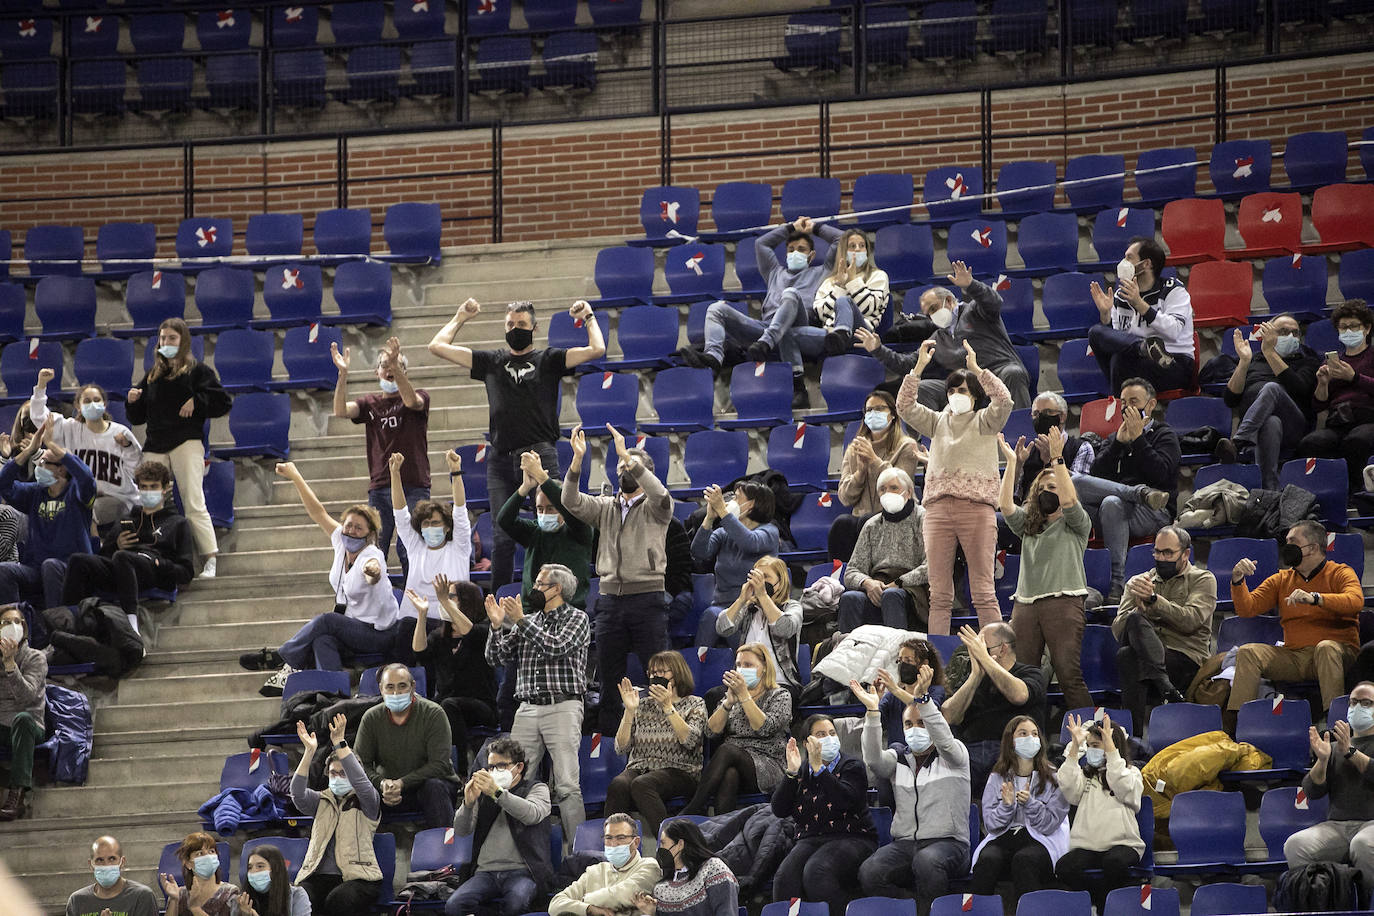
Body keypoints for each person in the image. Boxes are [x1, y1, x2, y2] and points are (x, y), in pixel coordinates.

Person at [428, 297, 605, 590]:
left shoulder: (548, 359)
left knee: (555, 525)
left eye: (521, 324)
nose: (515, 328)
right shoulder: (491, 361)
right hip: (500, 459)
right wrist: (460, 316)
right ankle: (497, 603)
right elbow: (436, 347)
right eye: (510, 324)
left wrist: (588, 316)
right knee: (502, 534)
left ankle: (559, 592)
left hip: (540, 454)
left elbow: (597, 349)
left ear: (534, 327)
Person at [241, 463, 397, 691]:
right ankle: (336, 694)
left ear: (370, 534)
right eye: (349, 525)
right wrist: (295, 476)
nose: (351, 531)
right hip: (353, 628)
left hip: (378, 633)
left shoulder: (372, 554)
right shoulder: (341, 543)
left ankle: (282, 657)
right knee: (322, 640)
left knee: (327, 621)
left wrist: (372, 573)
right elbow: (318, 512)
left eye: (358, 528)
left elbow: (374, 570)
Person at [561, 425, 673, 733]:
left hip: (647, 598)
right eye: (620, 465)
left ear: (644, 472)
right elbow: (570, 501)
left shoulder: (656, 506)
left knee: (658, 673)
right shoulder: (605, 506)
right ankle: (611, 741)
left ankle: (659, 735)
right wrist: (576, 461)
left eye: (629, 466)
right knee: (609, 677)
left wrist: (630, 456)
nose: (623, 469)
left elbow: (660, 493)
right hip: (609, 601)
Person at [897, 339, 1011, 634]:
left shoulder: (986, 420)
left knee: (984, 593)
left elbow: (1005, 400)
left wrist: (977, 369)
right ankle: (938, 661)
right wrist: (919, 367)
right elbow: (904, 406)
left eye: (963, 390)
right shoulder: (936, 422)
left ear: (974, 396)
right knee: (939, 596)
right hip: (936, 513)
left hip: (977, 511)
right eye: (952, 390)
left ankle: (997, 658)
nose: (956, 395)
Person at [675, 216, 845, 408]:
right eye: (791, 250)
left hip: (799, 327)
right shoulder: (774, 272)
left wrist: (814, 227)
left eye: (801, 250)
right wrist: (790, 228)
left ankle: (768, 343)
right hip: (766, 329)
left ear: (812, 255)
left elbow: (843, 239)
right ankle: (714, 357)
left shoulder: (822, 271)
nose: (795, 253)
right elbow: (761, 243)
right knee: (716, 308)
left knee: (790, 294)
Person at [485, 563, 591, 851]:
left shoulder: (577, 618)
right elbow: (497, 657)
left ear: (556, 589)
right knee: (516, 780)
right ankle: (521, 852)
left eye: (539, 585)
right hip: (527, 708)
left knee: (567, 785)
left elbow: (555, 647)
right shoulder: (529, 620)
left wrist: (520, 621)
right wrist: (496, 626)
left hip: (563, 706)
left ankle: (580, 854)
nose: (533, 589)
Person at [854, 667, 970, 914]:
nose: (915, 729)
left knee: (927, 862)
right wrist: (873, 713)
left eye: (921, 723)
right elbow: (873, 760)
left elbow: (945, 739)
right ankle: (915, 909)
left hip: (950, 844)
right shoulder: (899, 758)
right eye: (909, 724)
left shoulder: (954, 755)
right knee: (870, 871)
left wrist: (924, 701)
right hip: (906, 844)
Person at [126, 317, 231, 578]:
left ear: (183, 341)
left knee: (193, 500)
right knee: (148, 501)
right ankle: (151, 553)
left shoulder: (198, 371)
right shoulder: (152, 375)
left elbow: (223, 402)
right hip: (156, 443)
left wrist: (198, 400)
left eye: (171, 338)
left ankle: (210, 558)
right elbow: (137, 417)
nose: (166, 343)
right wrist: (132, 401)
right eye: (162, 338)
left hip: (186, 441)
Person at [1228, 520, 1363, 721]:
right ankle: (1238, 723)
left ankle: (1335, 723)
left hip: (1337, 653)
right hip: (1294, 655)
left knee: (1325, 648)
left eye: (1293, 541)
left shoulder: (1340, 572)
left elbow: (1356, 601)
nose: (1287, 546)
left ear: (1313, 548)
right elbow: (1247, 608)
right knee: (1248, 652)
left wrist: (1316, 598)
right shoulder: (1281, 579)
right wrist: (1238, 580)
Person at [997, 426, 1092, 711]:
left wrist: (1057, 461)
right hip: (1025, 606)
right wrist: (1013, 464)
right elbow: (1005, 506)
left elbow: (1069, 501)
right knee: (1023, 677)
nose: (1048, 492)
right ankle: (1028, 732)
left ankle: (1092, 733)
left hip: (1064, 602)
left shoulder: (1076, 523)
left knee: (1067, 674)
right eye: (1042, 488)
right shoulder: (1029, 524)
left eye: (1054, 487)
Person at [855, 260, 1032, 408]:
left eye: (933, 308)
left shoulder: (975, 311)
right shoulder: (937, 338)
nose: (932, 316)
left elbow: (994, 301)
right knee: (922, 388)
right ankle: (925, 446)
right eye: (928, 314)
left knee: (1013, 373)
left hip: (1000, 372)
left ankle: (1020, 435)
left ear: (948, 300)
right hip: (968, 386)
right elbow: (906, 364)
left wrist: (971, 285)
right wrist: (877, 349)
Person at [1072, 378, 1179, 602]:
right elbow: (1096, 479)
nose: (1127, 408)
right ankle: (1070, 582)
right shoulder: (1115, 438)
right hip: (1117, 509)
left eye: (1134, 401)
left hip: (1153, 512)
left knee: (1111, 502)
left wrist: (1139, 440)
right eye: (1123, 403)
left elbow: (1161, 475)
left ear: (1150, 405)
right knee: (1075, 483)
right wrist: (1118, 445)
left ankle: (1117, 583)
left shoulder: (1164, 434)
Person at [332, 337, 431, 578]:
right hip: (380, 486)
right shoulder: (370, 403)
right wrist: (343, 375)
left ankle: (413, 603)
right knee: (375, 549)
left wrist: (396, 368)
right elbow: (341, 410)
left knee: (410, 549)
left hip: (413, 484)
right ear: (376, 371)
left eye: (396, 365)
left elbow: (410, 401)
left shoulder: (420, 396)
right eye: (385, 366)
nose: (389, 370)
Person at [60, 460, 194, 632]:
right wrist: (117, 545)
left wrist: (160, 564)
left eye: (153, 487)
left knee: (122, 557)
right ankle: (70, 622)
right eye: (144, 487)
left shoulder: (178, 523)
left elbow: (186, 573)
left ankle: (131, 624)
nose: (148, 491)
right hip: (121, 570)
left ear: (165, 488)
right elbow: (104, 557)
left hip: (153, 572)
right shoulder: (127, 520)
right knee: (79, 560)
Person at [1111, 526, 1216, 734]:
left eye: (1168, 553)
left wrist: (1154, 602)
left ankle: (1133, 739)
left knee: (1128, 656)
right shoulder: (1140, 582)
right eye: (1157, 552)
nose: (1161, 558)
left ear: (1185, 554)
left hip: (1185, 660)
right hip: (1152, 668)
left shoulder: (1203, 579)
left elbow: (1191, 621)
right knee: (1131, 630)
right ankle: (1165, 687)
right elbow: (1118, 630)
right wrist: (1138, 607)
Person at [772, 714, 878, 916]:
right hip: (810, 839)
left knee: (816, 871)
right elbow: (779, 810)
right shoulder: (802, 770)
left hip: (853, 837)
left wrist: (820, 768)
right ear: (807, 743)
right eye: (821, 734)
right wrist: (791, 773)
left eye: (831, 733)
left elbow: (844, 801)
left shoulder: (852, 766)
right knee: (784, 878)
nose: (828, 738)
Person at [445, 736, 553, 916]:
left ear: (519, 767)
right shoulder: (483, 794)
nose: (494, 771)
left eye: (501, 766)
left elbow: (532, 814)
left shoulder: (537, 788)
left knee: (516, 904)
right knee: (454, 905)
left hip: (524, 871)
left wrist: (497, 792)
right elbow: (462, 830)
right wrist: (468, 803)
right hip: (485, 873)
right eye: (491, 767)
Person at [681, 643, 792, 815]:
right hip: (732, 764)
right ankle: (723, 831)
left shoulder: (780, 695)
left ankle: (693, 808)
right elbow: (710, 732)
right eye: (739, 665)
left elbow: (764, 728)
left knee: (727, 750)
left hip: (768, 764)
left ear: (764, 668)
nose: (741, 669)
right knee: (729, 775)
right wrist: (728, 703)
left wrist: (745, 696)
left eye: (748, 665)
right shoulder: (731, 695)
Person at [970, 716, 1069, 908]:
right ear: (1011, 740)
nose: (1029, 738)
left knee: (1025, 860)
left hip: (1041, 839)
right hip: (1005, 837)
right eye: (1023, 734)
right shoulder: (997, 776)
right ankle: (979, 911)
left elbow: (1050, 824)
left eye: (1034, 734)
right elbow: (991, 824)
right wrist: (1006, 807)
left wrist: (1031, 804)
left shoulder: (1053, 776)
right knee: (987, 860)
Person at [607, 651, 707, 838]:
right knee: (618, 784)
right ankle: (613, 846)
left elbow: (690, 741)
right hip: (641, 767)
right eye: (653, 673)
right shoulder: (642, 705)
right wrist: (629, 712)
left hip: (680, 770)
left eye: (662, 672)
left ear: (677, 674)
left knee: (642, 784)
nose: (656, 677)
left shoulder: (694, 703)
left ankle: (670, 843)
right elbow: (621, 747)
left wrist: (668, 708)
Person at [0, 417, 97, 610]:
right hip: (36, 569)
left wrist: (52, 444)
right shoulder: (35, 493)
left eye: (45, 463)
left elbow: (86, 476)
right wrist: (27, 452)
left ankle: (58, 627)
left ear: (61, 469)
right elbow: (4, 485)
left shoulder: (78, 494)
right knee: (3, 571)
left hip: (73, 569)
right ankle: (14, 626)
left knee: (51, 566)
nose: (39, 467)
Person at [290, 713, 382, 915]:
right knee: (301, 897)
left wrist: (340, 744)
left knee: (338, 900)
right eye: (333, 773)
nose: (338, 777)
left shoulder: (367, 801)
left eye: (344, 773)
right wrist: (309, 752)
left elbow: (362, 783)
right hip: (317, 875)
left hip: (359, 877)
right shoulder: (320, 800)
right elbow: (296, 794)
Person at [407, 578, 499, 777]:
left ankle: (461, 770)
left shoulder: (485, 631)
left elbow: (471, 633)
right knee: (422, 707)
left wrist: (444, 602)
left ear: (466, 600)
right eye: (444, 597)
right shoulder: (440, 637)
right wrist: (422, 615)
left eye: (450, 597)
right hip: (448, 703)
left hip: (481, 705)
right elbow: (419, 653)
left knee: (448, 705)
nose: (444, 601)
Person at [942, 622, 1046, 798]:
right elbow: (948, 716)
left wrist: (985, 660)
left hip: (1010, 751)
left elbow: (1019, 695)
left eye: (983, 648)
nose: (976, 654)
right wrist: (975, 677)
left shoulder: (1031, 673)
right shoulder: (974, 675)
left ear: (1003, 649)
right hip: (970, 751)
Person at [30, 368, 142, 527]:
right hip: (81, 497)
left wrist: (129, 447)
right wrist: (41, 386)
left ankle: (92, 549)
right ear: (78, 405)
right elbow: (39, 417)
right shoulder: (70, 429)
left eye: (97, 400)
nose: (93, 404)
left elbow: (137, 470)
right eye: (87, 401)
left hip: (118, 499)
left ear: (104, 404)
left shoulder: (121, 433)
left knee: (86, 510)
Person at [1284, 681, 1374, 878]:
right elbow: (1311, 791)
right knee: (1296, 845)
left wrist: (1351, 752)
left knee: (1363, 844)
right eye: (1353, 702)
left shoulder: (1345, 748)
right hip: (1337, 827)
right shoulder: (1333, 748)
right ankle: (1318, 899)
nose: (1358, 708)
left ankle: (1368, 903)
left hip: (1371, 825)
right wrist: (1323, 760)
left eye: (1366, 703)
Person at [1218, 317, 1320, 489]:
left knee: (1271, 388)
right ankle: (1269, 490)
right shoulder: (1255, 360)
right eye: (1283, 332)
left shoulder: (1307, 361)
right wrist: (1243, 363)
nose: (1290, 336)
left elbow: (1300, 389)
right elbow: (1230, 399)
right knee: (1271, 422)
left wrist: (1270, 353)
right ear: (1268, 333)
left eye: (1295, 333)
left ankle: (1238, 442)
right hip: (1262, 429)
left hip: (1293, 427)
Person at [354, 662, 459, 828]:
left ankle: (445, 849)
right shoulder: (371, 718)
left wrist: (402, 783)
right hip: (386, 790)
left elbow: (440, 764)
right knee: (356, 792)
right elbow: (359, 765)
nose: (396, 693)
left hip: (427, 788)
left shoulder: (434, 713)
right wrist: (382, 783)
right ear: (381, 689)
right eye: (390, 687)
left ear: (413, 686)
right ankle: (357, 852)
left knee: (434, 787)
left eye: (402, 686)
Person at [1056, 713, 1144, 912]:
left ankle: (1107, 907)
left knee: (1114, 863)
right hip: (1088, 846)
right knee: (1064, 867)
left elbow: (1123, 787)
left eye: (1097, 745)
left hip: (1123, 844)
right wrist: (1075, 748)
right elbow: (1068, 788)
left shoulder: (1131, 772)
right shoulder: (1085, 776)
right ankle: (1096, 902)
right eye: (1090, 746)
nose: (1092, 750)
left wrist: (1111, 751)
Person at [1088, 236, 1196, 394]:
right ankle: (1143, 347)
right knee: (1096, 334)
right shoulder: (1121, 295)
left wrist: (1139, 303)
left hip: (1174, 364)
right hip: (1138, 360)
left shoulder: (1173, 289)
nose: (1123, 263)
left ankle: (1121, 407)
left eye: (1129, 258)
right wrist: (1106, 316)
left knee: (1120, 361)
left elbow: (1173, 330)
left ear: (1146, 264)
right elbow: (1118, 339)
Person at [389, 449, 470, 656]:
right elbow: (400, 514)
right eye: (426, 523)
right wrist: (395, 474)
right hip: (413, 621)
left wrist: (456, 472)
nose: (430, 527)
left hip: (448, 622)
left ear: (447, 527)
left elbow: (460, 511)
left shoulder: (459, 548)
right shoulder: (416, 547)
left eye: (435, 523)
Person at [831, 389, 925, 561]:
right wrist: (859, 473)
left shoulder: (907, 446)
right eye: (869, 410)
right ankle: (840, 578)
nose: (873, 414)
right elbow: (845, 498)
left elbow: (901, 485)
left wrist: (873, 461)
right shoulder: (855, 448)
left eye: (880, 409)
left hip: (897, 517)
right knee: (842, 523)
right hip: (862, 518)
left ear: (893, 414)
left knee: (868, 520)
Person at [497, 449, 595, 614]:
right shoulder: (533, 531)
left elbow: (567, 506)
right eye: (540, 509)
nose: (544, 514)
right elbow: (503, 520)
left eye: (550, 509)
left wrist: (542, 477)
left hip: (568, 611)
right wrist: (525, 488)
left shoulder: (580, 530)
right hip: (532, 611)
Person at [838, 466, 929, 632]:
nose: (888, 493)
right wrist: (867, 583)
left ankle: (897, 653)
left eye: (894, 488)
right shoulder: (872, 525)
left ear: (908, 492)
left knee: (891, 596)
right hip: (878, 586)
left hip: (912, 590)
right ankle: (848, 651)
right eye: (882, 489)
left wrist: (900, 582)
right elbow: (851, 571)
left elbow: (931, 566)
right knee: (850, 598)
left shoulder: (923, 518)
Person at [1298, 299, 1374, 493]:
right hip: (1338, 421)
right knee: (1311, 442)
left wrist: (1354, 377)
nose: (1348, 331)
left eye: (1354, 326)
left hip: (1367, 418)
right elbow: (1318, 405)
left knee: (1357, 441)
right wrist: (1322, 384)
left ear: (1366, 328)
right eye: (1343, 327)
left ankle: (1356, 493)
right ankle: (1322, 493)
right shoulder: (1332, 361)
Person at [691, 481, 779, 644]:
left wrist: (724, 512)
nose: (731, 502)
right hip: (723, 606)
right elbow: (700, 553)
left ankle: (742, 665)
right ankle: (697, 665)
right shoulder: (724, 533)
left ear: (751, 504)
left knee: (728, 622)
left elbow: (750, 542)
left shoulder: (769, 532)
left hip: (755, 607)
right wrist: (709, 518)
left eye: (736, 498)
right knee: (712, 616)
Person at [712, 556, 804, 694]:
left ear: (780, 582)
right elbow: (722, 628)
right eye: (757, 576)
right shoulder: (749, 608)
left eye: (766, 577)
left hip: (780, 683)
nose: (760, 582)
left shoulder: (792, 607)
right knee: (713, 695)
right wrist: (742, 599)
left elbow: (785, 629)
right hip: (746, 683)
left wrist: (763, 596)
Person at [550, 813, 662, 916]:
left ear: (636, 842)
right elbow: (555, 904)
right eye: (608, 838)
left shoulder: (649, 866)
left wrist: (583, 901)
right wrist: (589, 908)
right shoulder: (594, 871)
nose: (613, 843)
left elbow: (623, 894)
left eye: (621, 838)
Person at [632, 819, 738, 916]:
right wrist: (652, 912)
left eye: (663, 843)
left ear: (680, 844)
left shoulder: (713, 870)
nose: (660, 849)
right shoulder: (661, 889)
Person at [814, 228, 891, 355]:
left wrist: (851, 282)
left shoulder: (878, 276)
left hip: (862, 333)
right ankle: (796, 370)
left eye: (862, 246)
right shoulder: (830, 281)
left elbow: (869, 308)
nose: (857, 249)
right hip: (829, 335)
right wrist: (839, 286)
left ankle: (842, 335)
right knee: (792, 334)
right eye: (852, 246)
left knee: (844, 301)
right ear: (843, 251)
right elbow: (821, 313)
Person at [0, 605, 44, 822]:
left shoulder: (35, 658)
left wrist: (10, 665)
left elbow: (26, 697)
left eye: (17, 622)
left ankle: (17, 794)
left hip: (30, 724)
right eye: (6, 622)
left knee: (23, 719)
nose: (13, 626)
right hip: (2, 724)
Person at [1008, 392, 1095, 502]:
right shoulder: (1028, 452)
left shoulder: (1082, 448)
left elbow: (1078, 490)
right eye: (1036, 413)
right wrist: (1016, 466)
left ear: (1062, 416)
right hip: (1029, 512)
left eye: (1048, 412)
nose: (1040, 417)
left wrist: (1051, 460)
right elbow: (1013, 497)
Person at [875, 640, 948, 746]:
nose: (902, 665)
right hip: (898, 757)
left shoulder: (936, 691)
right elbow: (876, 725)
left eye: (908, 661)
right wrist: (875, 702)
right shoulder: (891, 696)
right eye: (899, 661)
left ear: (924, 664)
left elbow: (926, 710)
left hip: (929, 754)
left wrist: (895, 689)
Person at [66, 835, 158, 916]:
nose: (106, 865)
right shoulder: (77, 900)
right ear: (91, 864)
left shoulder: (142, 896)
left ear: (122, 862)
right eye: (99, 860)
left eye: (112, 859)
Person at [159, 831, 238, 916]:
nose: (207, 856)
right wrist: (174, 900)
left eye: (211, 851)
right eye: (200, 853)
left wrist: (195, 908)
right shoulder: (180, 894)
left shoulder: (230, 893)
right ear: (188, 863)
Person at [230, 845, 310, 916]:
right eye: (250, 867)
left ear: (276, 869)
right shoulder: (241, 901)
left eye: (260, 866)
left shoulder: (297, 895)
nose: (253, 871)